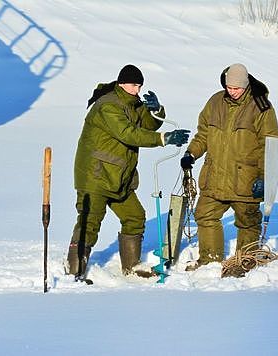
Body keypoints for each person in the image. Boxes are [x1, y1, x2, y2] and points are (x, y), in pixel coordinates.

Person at [66, 64, 190, 281]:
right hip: (95, 176)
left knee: (134, 217)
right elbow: (129, 134)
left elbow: (149, 125)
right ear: (122, 83)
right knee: (89, 222)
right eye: (134, 85)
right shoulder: (107, 106)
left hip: (119, 178)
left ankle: (131, 267)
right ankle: (74, 273)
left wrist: (156, 109)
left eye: (140, 86)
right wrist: (164, 139)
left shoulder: (133, 104)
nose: (137, 90)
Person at [180, 63, 278, 270]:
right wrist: (192, 153)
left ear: (246, 85)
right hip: (214, 176)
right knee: (205, 214)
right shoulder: (215, 101)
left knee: (247, 221)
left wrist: (264, 177)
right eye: (229, 87)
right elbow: (203, 134)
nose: (232, 92)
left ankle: (244, 262)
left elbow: (270, 145)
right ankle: (209, 259)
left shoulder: (261, 107)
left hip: (245, 179)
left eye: (237, 88)